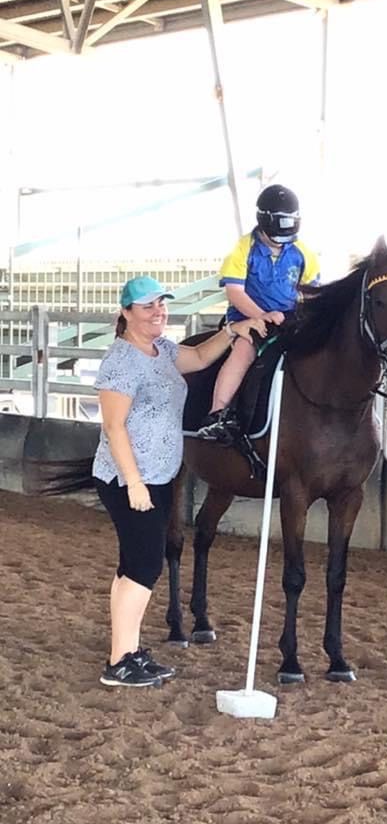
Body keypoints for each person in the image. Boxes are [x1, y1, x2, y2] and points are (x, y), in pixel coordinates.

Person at [94, 274, 269, 689]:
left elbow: (200, 358)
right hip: (131, 479)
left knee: (132, 568)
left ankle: (127, 652)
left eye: (161, 304)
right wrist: (134, 483)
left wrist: (233, 331)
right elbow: (114, 426)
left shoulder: (160, 350)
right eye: (147, 306)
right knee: (145, 566)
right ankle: (120, 661)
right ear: (126, 313)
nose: (158, 312)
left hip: (155, 476)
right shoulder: (121, 361)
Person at [197, 184, 320, 443]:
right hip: (247, 319)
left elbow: (311, 292)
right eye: (274, 237)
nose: (278, 243)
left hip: (288, 321)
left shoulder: (303, 253)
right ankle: (217, 413)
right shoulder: (244, 249)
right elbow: (234, 292)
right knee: (244, 351)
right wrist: (260, 316)